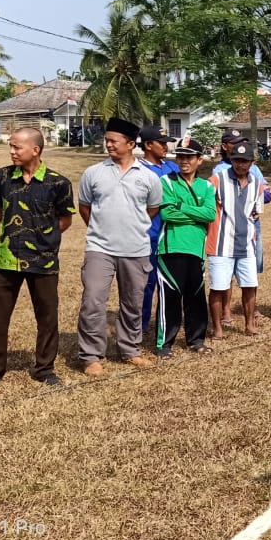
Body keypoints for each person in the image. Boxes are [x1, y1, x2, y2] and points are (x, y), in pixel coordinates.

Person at [0, 127, 74, 391]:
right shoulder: (2, 177)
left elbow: (65, 220)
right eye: (10, 146)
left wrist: (43, 238)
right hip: (5, 258)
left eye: (17, 147)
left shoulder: (59, 183)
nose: (12, 151)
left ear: (36, 149)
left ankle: (44, 368)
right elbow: (0, 210)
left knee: (47, 317)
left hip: (43, 260)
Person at [77, 117, 163, 376]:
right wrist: (100, 229)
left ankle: (130, 349)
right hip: (99, 248)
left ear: (130, 144)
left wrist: (133, 227)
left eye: (114, 141)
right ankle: (91, 355)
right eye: (107, 141)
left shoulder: (148, 177)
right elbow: (84, 206)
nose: (109, 145)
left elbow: (153, 208)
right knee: (92, 300)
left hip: (136, 250)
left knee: (132, 303)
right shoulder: (93, 173)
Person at [155, 138, 217, 358]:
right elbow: (167, 213)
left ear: (199, 160)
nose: (184, 161)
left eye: (189, 157)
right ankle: (164, 344)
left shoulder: (207, 186)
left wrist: (181, 205)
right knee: (170, 298)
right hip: (171, 247)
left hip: (196, 249)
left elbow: (210, 214)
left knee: (196, 298)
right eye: (180, 156)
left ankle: (196, 339)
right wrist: (194, 213)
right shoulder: (167, 182)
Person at [207, 141, 264, 338]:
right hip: (221, 245)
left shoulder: (257, 184)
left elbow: (256, 213)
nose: (240, 165)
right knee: (218, 287)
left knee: (250, 285)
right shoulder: (217, 179)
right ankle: (218, 328)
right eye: (236, 160)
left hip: (246, 245)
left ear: (252, 162)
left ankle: (249, 325)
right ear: (231, 160)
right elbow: (205, 203)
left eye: (245, 161)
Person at [137, 125, 180, 336]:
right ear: (147, 145)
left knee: (171, 282)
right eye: (161, 143)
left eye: (166, 143)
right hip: (148, 236)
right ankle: (141, 326)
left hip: (173, 236)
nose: (165, 147)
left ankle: (167, 323)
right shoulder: (138, 170)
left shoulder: (172, 168)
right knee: (146, 283)